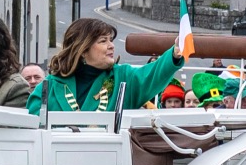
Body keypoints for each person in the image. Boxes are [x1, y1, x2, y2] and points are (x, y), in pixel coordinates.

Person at [27, 16, 184, 113]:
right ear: (82, 50)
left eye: (111, 40)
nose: (111, 46)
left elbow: (153, 74)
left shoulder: (124, 78)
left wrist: (174, 54)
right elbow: (32, 128)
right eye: (103, 41)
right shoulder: (49, 87)